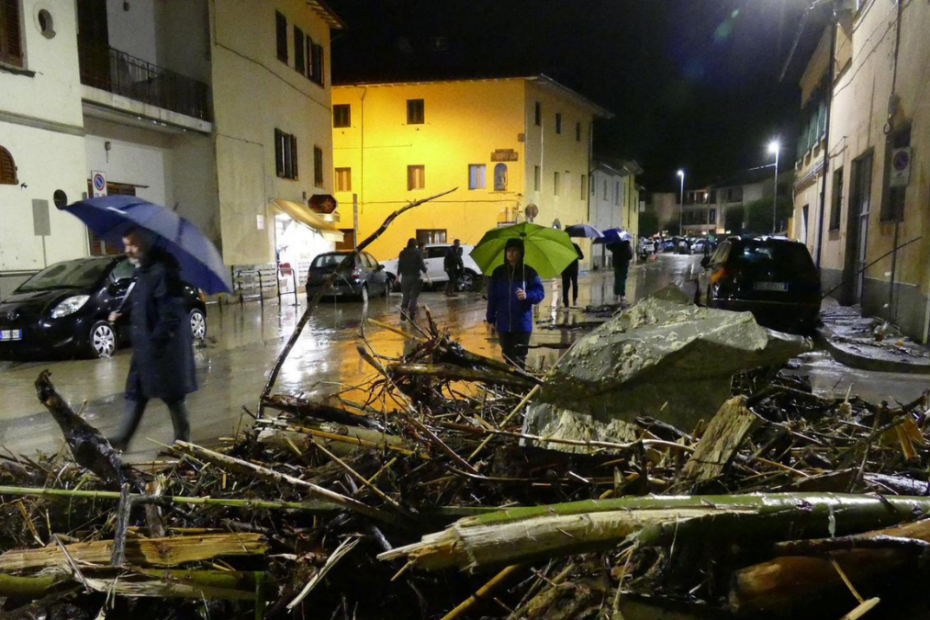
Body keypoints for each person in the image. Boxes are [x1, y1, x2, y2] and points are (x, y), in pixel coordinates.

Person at [108, 229, 196, 451]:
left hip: (164, 349)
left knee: (173, 396)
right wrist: (122, 314)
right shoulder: (143, 271)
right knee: (136, 392)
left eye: (133, 245)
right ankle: (122, 439)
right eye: (126, 244)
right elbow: (142, 303)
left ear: (146, 245)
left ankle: (183, 442)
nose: (128, 249)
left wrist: (155, 344)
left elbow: (171, 315)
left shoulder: (164, 272)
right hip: (145, 346)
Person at [486, 239, 545, 368]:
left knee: (519, 357)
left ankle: (520, 385)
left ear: (521, 253)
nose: (511, 253)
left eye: (515, 250)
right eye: (508, 250)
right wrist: (490, 320)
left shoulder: (529, 272)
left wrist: (527, 295)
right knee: (507, 356)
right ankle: (512, 383)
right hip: (503, 324)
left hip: (522, 324)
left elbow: (540, 293)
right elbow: (492, 298)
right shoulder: (498, 273)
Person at [397, 238, 429, 322]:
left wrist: (397, 277)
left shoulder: (402, 253)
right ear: (415, 244)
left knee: (406, 296)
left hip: (405, 278)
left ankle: (403, 313)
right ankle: (412, 315)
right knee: (414, 297)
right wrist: (428, 277)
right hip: (415, 277)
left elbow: (400, 266)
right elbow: (421, 265)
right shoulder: (417, 253)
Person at [607, 235, 634, 305]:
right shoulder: (627, 244)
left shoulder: (615, 244)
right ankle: (622, 294)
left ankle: (616, 294)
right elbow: (630, 255)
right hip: (624, 264)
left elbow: (608, 246)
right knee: (623, 279)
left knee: (617, 278)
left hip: (617, 264)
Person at [561, 242, 584, 307]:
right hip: (565, 269)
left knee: (574, 284)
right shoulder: (562, 246)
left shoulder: (575, 246)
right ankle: (565, 300)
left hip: (573, 269)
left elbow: (581, 256)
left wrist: (576, 255)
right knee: (566, 285)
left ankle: (575, 298)